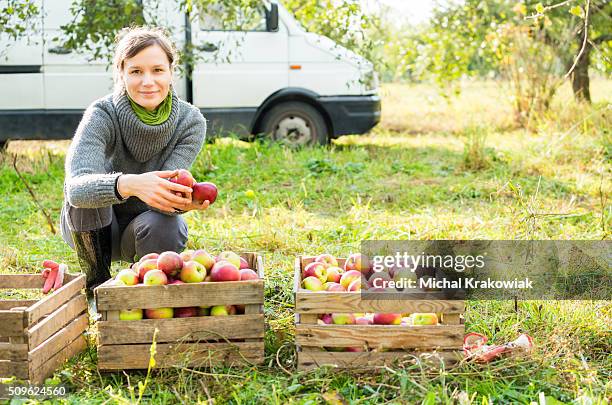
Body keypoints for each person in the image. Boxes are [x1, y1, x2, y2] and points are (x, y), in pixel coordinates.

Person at [60, 27, 209, 293]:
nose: (147, 81)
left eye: (157, 70)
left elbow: (165, 200)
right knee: (88, 197)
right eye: (136, 71)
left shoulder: (190, 121)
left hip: (145, 227)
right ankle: (97, 286)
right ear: (121, 73)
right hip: (93, 227)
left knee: (170, 224)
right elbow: (76, 189)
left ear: (171, 72)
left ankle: (146, 293)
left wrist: (183, 201)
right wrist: (128, 184)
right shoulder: (102, 115)